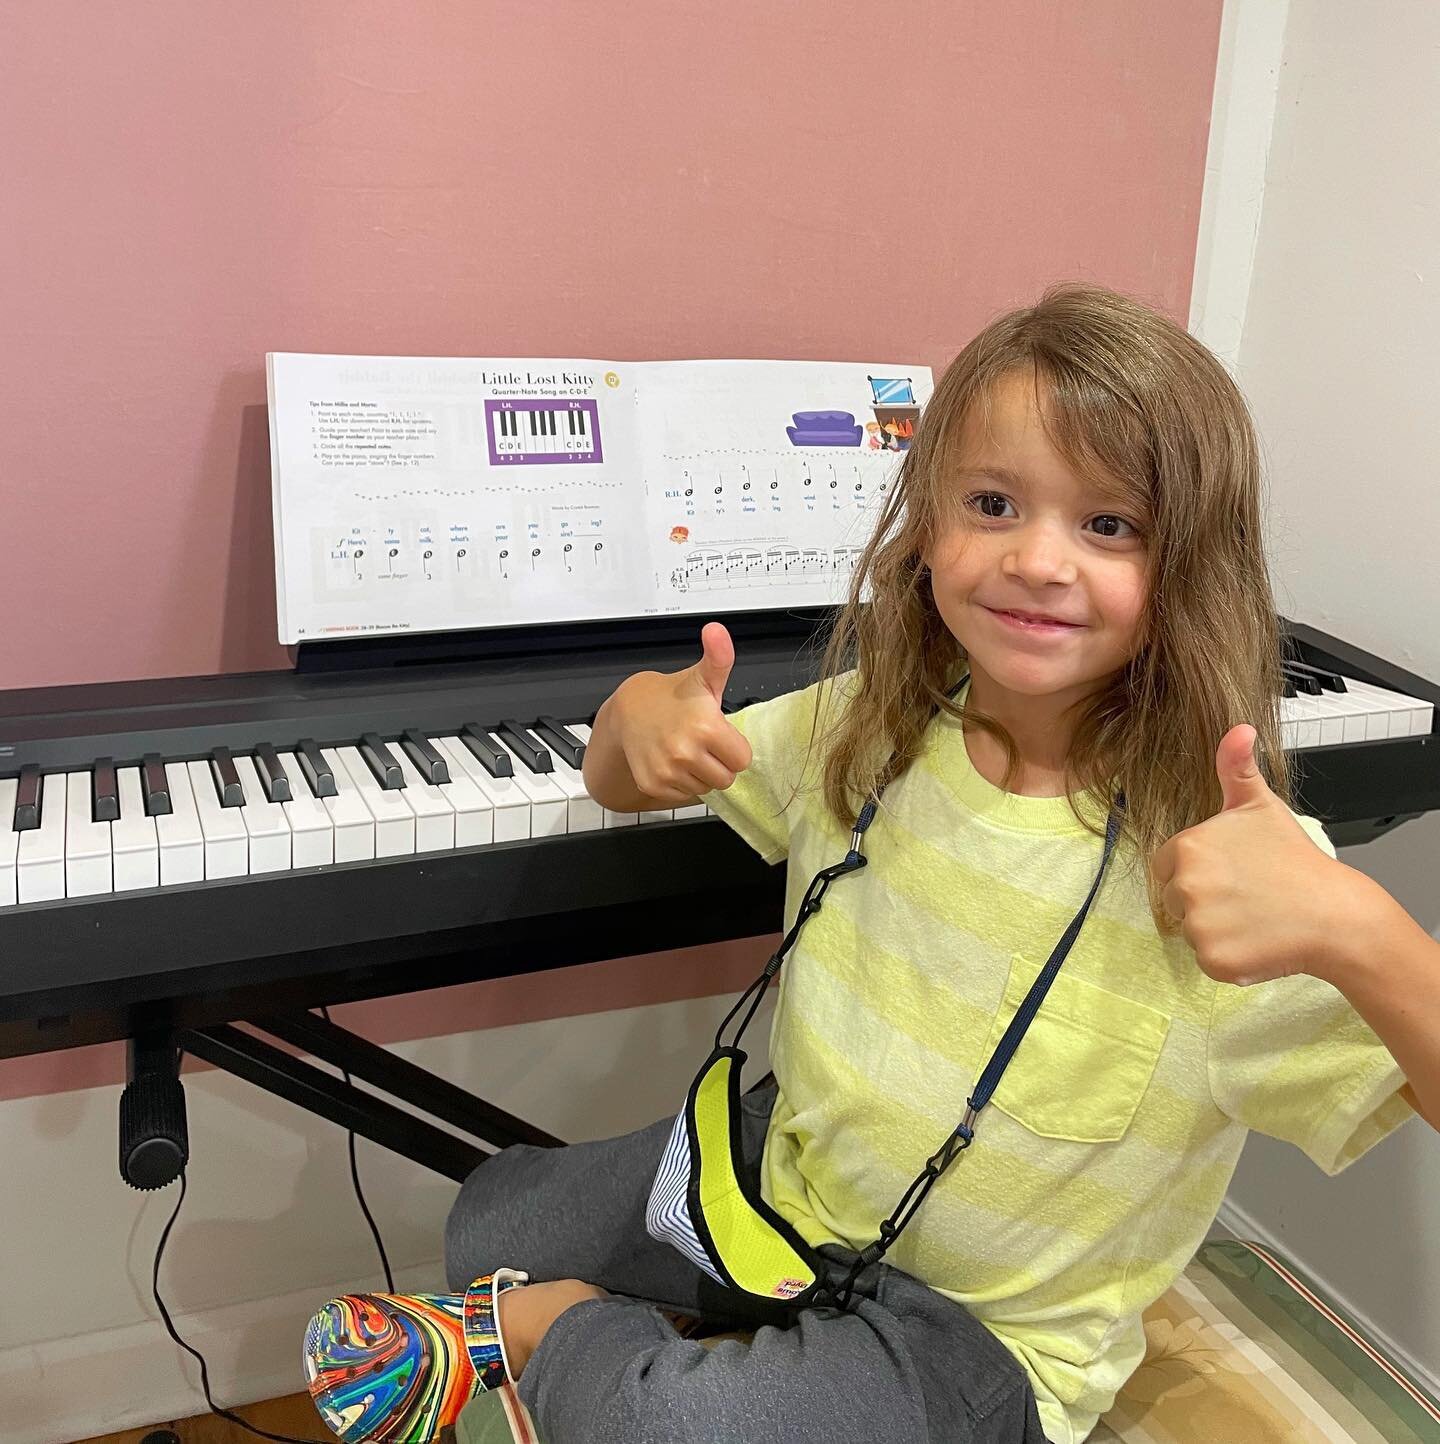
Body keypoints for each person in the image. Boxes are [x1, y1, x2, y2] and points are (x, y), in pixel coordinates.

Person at [302, 284, 1438, 1444]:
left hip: (985, 1339)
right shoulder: (871, 721)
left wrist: (1360, 930)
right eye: (994, 503)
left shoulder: (1235, 864)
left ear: (1194, 565)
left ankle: (564, 1331)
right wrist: (630, 726)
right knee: (490, 1223)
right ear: (927, 525)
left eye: (1110, 525)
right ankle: (579, 1323)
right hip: (780, 1188)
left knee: (665, 1423)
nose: (1037, 559)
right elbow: (622, 759)